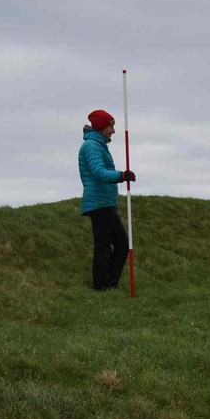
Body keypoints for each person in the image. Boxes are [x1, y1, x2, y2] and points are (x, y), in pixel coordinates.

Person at [78, 109, 137, 290]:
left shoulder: (99, 145)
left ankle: (109, 284)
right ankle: (102, 286)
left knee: (121, 244)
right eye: (110, 126)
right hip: (99, 203)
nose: (113, 130)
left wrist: (121, 176)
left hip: (105, 203)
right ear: (101, 127)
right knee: (104, 247)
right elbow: (98, 172)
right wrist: (121, 176)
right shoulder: (91, 146)